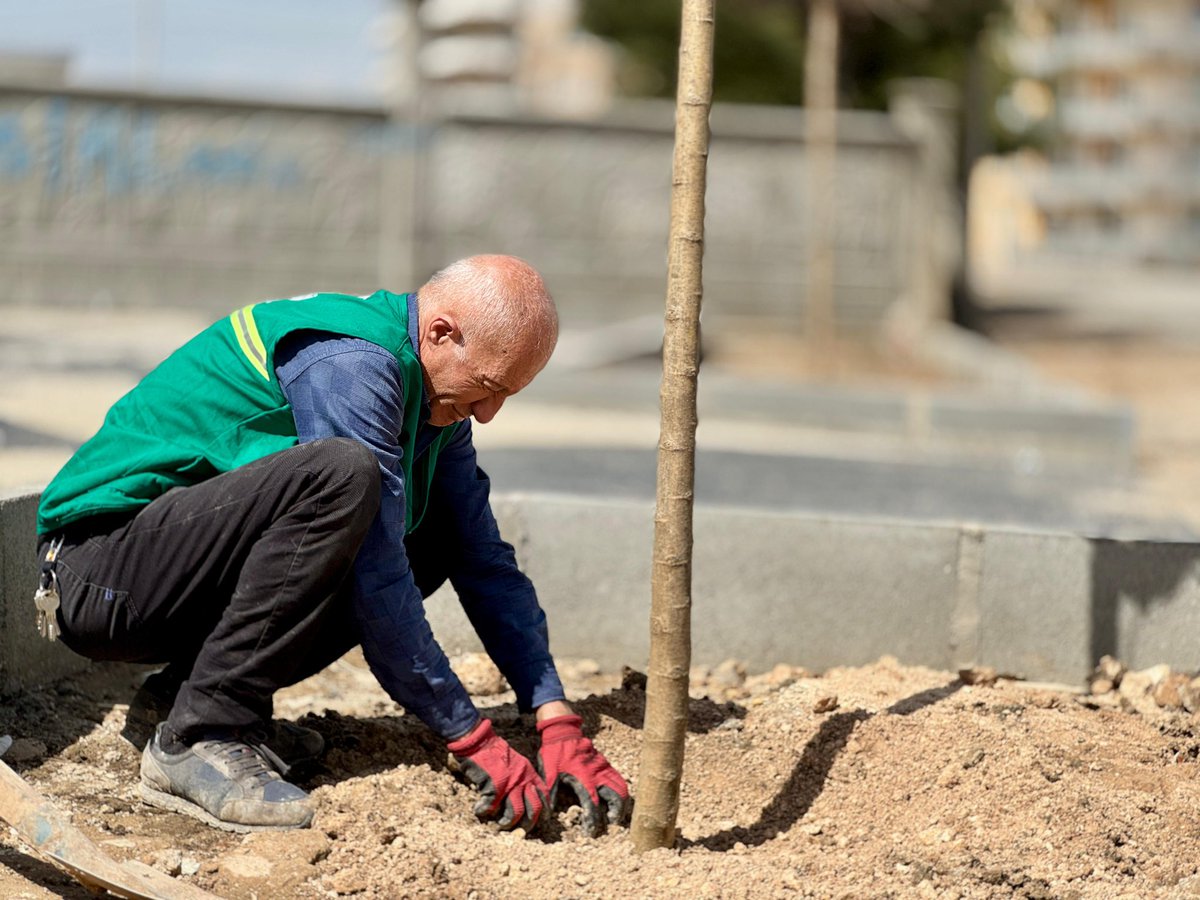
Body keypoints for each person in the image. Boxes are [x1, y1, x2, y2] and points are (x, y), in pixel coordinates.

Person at [34, 254, 629, 836]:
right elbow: (374, 570)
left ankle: (183, 699)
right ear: (442, 333)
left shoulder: (436, 401)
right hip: (97, 575)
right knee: (343, 478)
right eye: (488, 387)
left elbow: (482, 558)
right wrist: (467, 732)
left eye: (507, 396)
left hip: (168, 577)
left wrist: (555, 715)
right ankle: (200, 734)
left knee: (433, 534)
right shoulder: (350, 364)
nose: (489, 412)